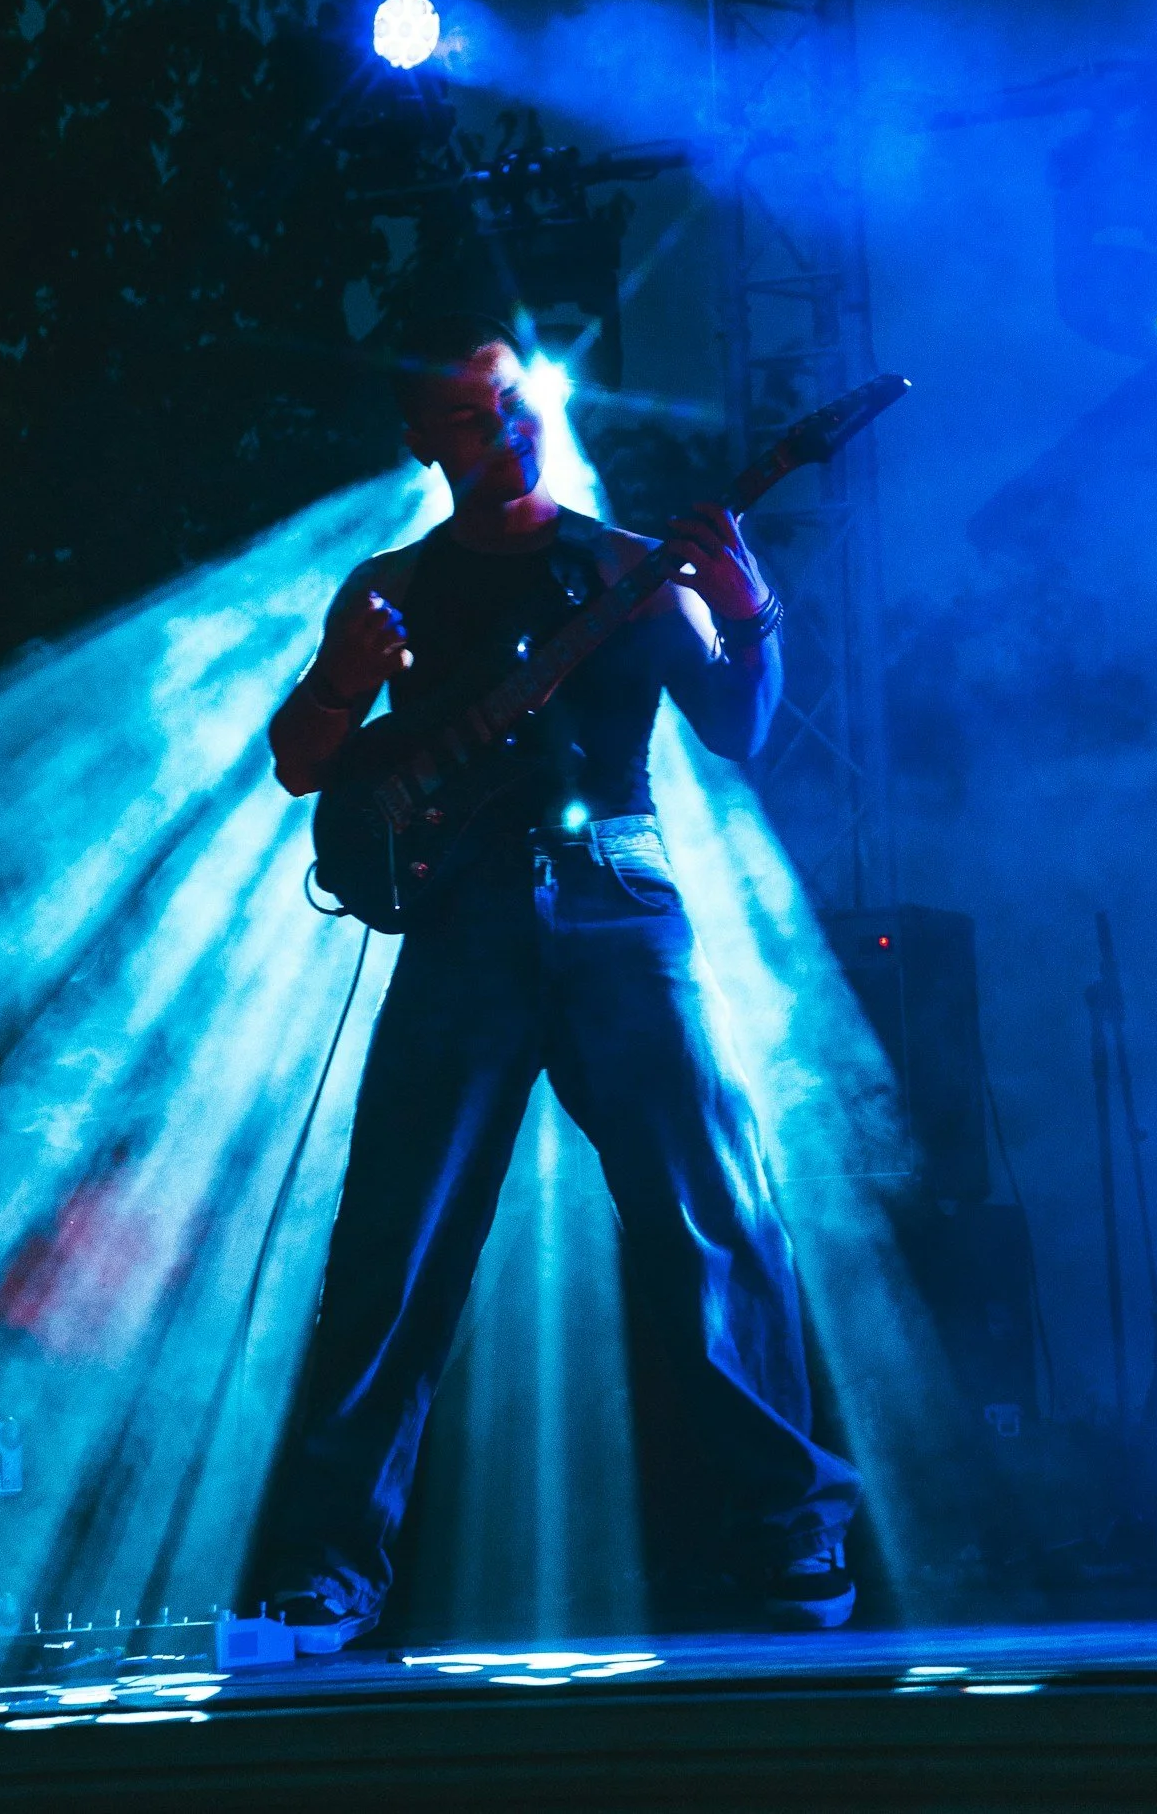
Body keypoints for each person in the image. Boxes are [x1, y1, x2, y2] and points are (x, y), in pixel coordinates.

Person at [240, 313, 859, 1650]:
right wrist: (345, 686)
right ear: (421, 440)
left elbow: (740, 731)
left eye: (518, 402)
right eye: (472, 416)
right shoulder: (389, 584)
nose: (507, 429)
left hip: (620, 908)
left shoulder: (629, 567)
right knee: (393, 1248)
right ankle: (326, 1571)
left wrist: (751, 611)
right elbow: (300, 761)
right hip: (458, 922)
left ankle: (790, 1537)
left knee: (712, 1216)